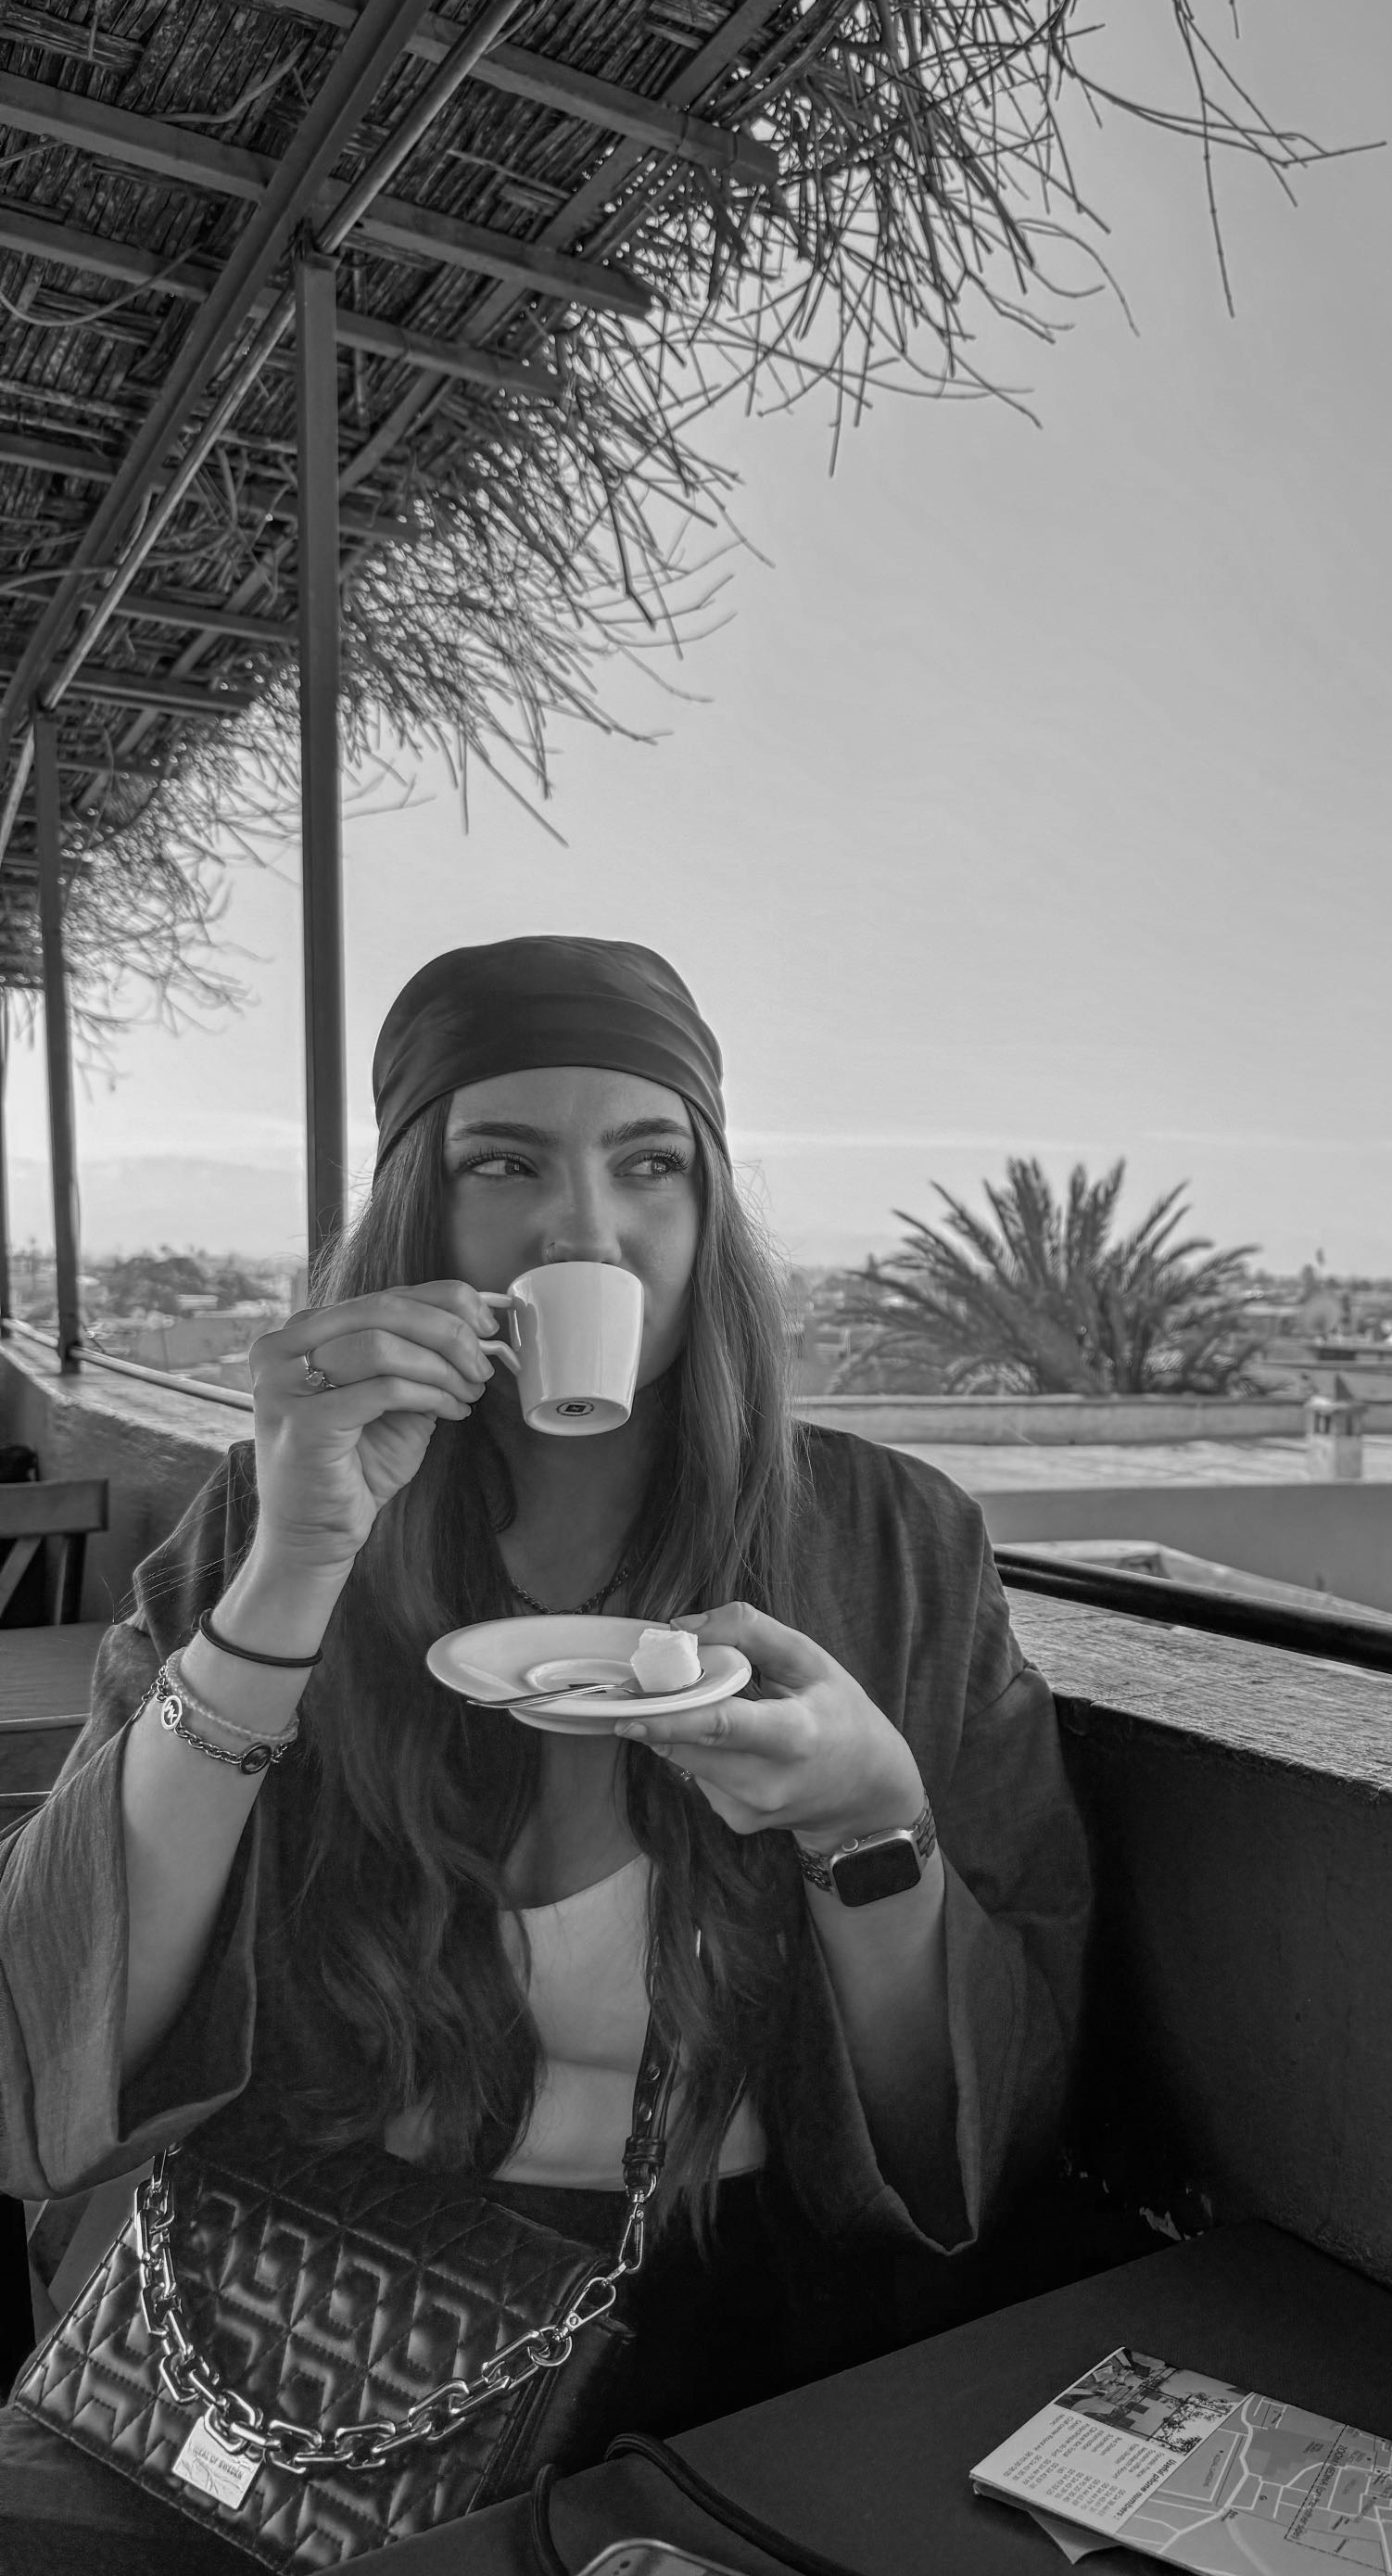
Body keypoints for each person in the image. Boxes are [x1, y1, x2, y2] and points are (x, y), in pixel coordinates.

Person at [0, 936, 1091, 2573]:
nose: (586, 1230)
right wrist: (292, 1575)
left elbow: (966, 2140)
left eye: (648, 1165)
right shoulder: (268, 1508)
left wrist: (872, 1826)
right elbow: (57, 2020)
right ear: (417, 1219)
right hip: (251, 2301)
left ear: (706, 1213)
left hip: (689, 2341)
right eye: (504, 1164)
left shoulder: (891, 1544)